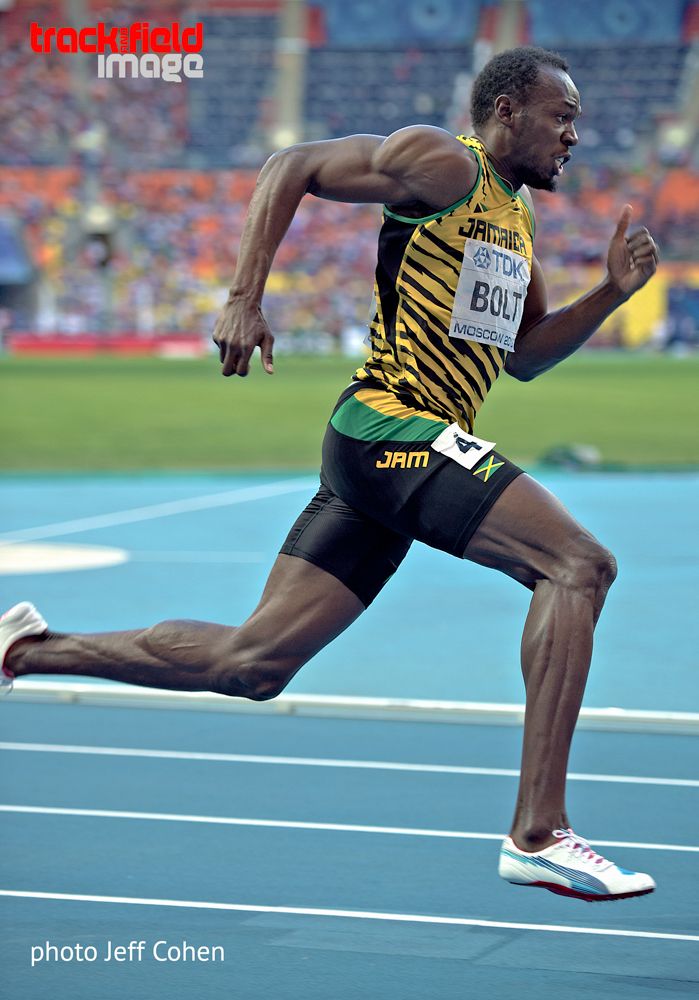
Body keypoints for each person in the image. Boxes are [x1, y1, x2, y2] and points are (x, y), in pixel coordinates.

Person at [1, 46, 659, 902]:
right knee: (577, 564)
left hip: (396, 454)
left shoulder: (514, 218)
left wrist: (608, 293)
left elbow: (525, 357)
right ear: (506, 111)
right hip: (388, 425)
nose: (575, 133)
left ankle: (23, 648)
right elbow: (293, 164)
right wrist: (244, 295)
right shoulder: (444, 164)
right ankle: (539, 832)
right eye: (561, 114)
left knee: (252, 662)